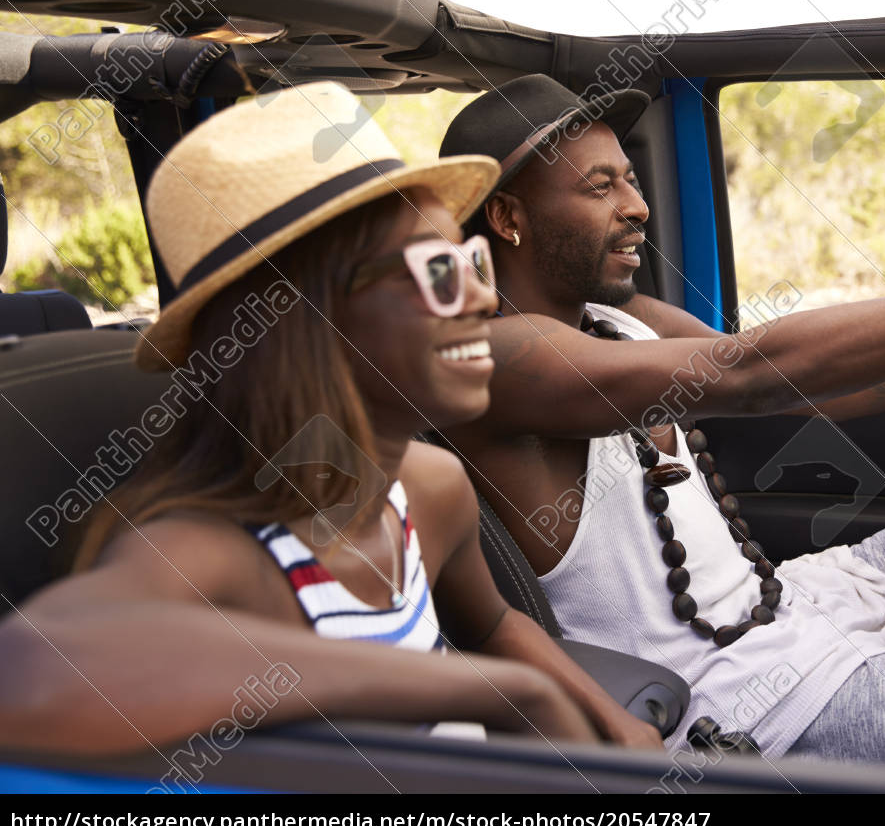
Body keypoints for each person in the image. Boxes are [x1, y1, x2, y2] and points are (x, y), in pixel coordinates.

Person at [435, 74, 885, 766]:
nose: (637, 206)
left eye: (630, 178)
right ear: (507, 218)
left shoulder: (624, 321)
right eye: (601, 186)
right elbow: (752, 372)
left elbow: (846, 389)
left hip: (797, 607)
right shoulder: (497, 358)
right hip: (744, 704)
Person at [0, 82, 663, 757]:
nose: (480, 295)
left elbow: (494, 624)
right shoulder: (220, 553)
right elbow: (26, 675)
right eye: (436, 269)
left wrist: (603, 725)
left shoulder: (431, 490)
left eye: (470, 261)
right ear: (308, 318)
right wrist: (489, 690)